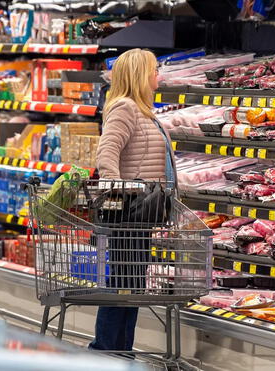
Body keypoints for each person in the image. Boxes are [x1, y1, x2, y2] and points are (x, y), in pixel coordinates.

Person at [90, 49, 177, 352]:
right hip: (128, 213)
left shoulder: (143, 111)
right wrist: (119, 190)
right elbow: (107, 153)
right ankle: (104, 351)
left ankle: (121, 351)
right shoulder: (125, 108)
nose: (158, 76)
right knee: (121, 286)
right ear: (141, 75)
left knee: (131, 286)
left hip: (141, 216)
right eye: (155, 70)